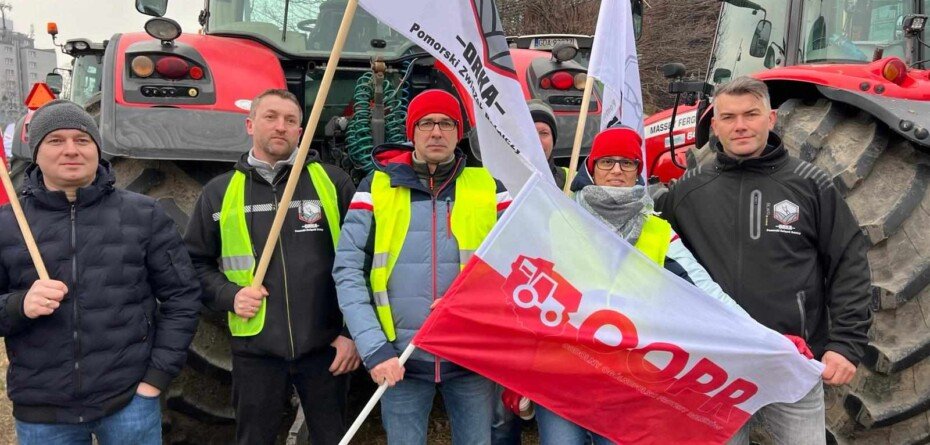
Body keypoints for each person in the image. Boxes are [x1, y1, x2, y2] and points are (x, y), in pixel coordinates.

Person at [655, 77, 872, 444]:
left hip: (792, 365)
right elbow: (659, 262)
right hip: (717, 370)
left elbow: (848, 263)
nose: (740, 125)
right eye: (729, 117)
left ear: (770, 119)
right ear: (716, 124)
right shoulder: (688, 192)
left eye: (751, 114)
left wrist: (846, 344)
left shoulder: (811, 185)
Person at [503, 125, 747, 445]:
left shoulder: (658, 232)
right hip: (561, 375)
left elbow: (705, 290)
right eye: (606, 162)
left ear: (638, 171)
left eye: (627, 162)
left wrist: (762, 333)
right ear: (591, 168)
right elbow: (515, 286)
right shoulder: (558, 218)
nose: (616, 170)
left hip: (625, 382)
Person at [0, 99, 201, 444]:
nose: (71, 150)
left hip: (129, 404)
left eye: (82, 140)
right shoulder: (7, 224)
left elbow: (182, 296)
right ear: (36, 152)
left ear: (97, 148)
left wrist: (155, 378)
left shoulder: (144, 215)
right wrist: (20, 305)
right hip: (43, 411)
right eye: (55, 140)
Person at [334, 89, 510, 445]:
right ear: (411, 131)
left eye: (447, 123)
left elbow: (516, 269)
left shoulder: (489, 189)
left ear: (459, 133)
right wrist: (374, 349)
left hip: (470, 359)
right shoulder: (376, 188)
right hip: (399, 360)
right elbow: (348, 271)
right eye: (426, 123)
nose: (436, 132)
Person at [184, 88, 359, 445]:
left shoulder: (334, 183)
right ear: (250, 124)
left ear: (301, 130)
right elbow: (193, 263)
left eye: (291, 120)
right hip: (255, 351)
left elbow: (362, 262)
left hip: (326, 347)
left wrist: (350, 334)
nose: (281, 127)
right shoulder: (220, 193)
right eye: (271, 117)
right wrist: (229, 296)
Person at [527, 99, 568, 189]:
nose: (537, 141)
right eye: (530, 133)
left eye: (544, 133)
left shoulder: (571, 180)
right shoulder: (499, 184)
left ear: (553, 140)